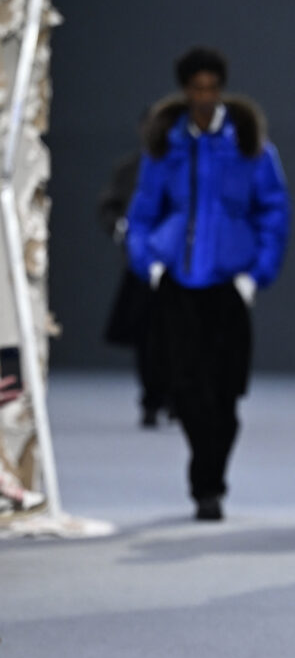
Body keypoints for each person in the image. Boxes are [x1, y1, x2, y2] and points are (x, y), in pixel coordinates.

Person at [128, 47, 290, 520]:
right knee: (186, 390)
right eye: (196, 88)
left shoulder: (250, 145)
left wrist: (255, 276)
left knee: (225, 395)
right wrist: (149, 265)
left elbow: (274, 213)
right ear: (185, 91)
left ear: (220, 89)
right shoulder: (165, 146)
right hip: (177, 284)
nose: (204, 96)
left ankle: (210, 479)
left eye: (211, 87)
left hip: (228, 286)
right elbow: (141, 213)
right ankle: (207, 487)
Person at [100, 113, 171, 428]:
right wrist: (120, 228)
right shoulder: (128, 169)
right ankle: (151, 400)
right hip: (141, 267)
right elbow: (109, 206)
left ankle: (173, 397)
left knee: (179, 335)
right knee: (146, 337)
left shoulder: (182, 165)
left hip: (177, 266)